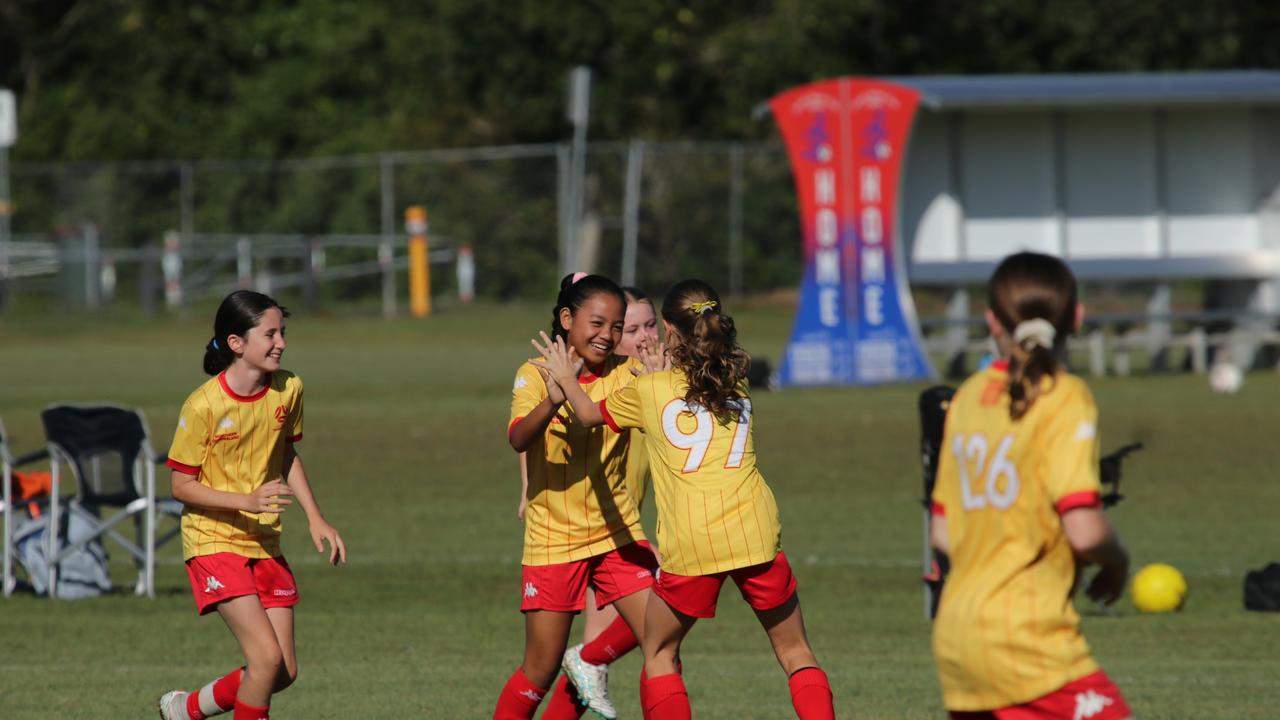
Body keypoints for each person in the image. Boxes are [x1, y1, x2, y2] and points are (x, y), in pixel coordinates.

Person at [534, 278, 835, 720]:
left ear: (670, 332)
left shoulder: (649, 391)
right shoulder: (736, 383)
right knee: (795, 651)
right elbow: (693, 395)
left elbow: (585, 414)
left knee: (659, 652)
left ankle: (592, 660)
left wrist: (564, 377)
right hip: (756, 530)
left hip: (695, 542)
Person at [929, 252, 1132, 720]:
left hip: (958, 640)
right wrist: (1118, 564)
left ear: (990, 321)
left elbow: (942, 534)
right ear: (1077, 318)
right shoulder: (1064, 395)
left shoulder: (966, 398)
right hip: (1028, 639)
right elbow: (1083, 528)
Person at [158, 290, 346, 720]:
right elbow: (180, 485)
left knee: (282, 671)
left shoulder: (289, 389)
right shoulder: (203, 405)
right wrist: (245, 499)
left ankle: (187, 709)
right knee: (264, 659)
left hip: (263, 542)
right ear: (237, 343)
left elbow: (285, 454)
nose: (280, 342)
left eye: (283, 332)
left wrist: (316, 518)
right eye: (270, 333)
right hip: (213, 541)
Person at [495, 273, 659, 720]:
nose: (607, 336)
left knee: (663, 642)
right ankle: (585, 661)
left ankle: (590, 658)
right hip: (553, 542)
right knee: (539, 670)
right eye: (598, 323)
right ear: (567, 319)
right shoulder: (534, 373)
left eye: (617, 326)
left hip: (618, 535)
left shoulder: (628, 375)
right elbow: (517, 438)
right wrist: (550, 400)